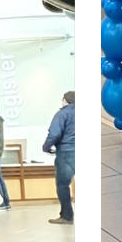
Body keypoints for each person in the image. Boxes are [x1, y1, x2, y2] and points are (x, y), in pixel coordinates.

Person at [44, 90, 75, 225]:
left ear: (65, 100)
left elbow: (55, 133)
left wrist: (46, 147)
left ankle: (67, 216)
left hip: (66, 153)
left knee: (63, 185)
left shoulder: (62, 114)